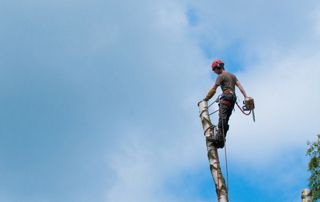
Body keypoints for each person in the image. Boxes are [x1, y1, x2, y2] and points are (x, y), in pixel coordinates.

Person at [204, 59, 249, 148]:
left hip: (226, 98)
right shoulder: (232, 76)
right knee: (225, 120)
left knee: (222, 119)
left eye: (214, 70)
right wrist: (246, 96)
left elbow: (213, 89)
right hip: (232, 100)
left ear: (218, 67)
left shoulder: (221, 76)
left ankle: (219, 139)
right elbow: (240, 86)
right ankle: (222, 141)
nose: (215, 72)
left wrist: (206, 99)